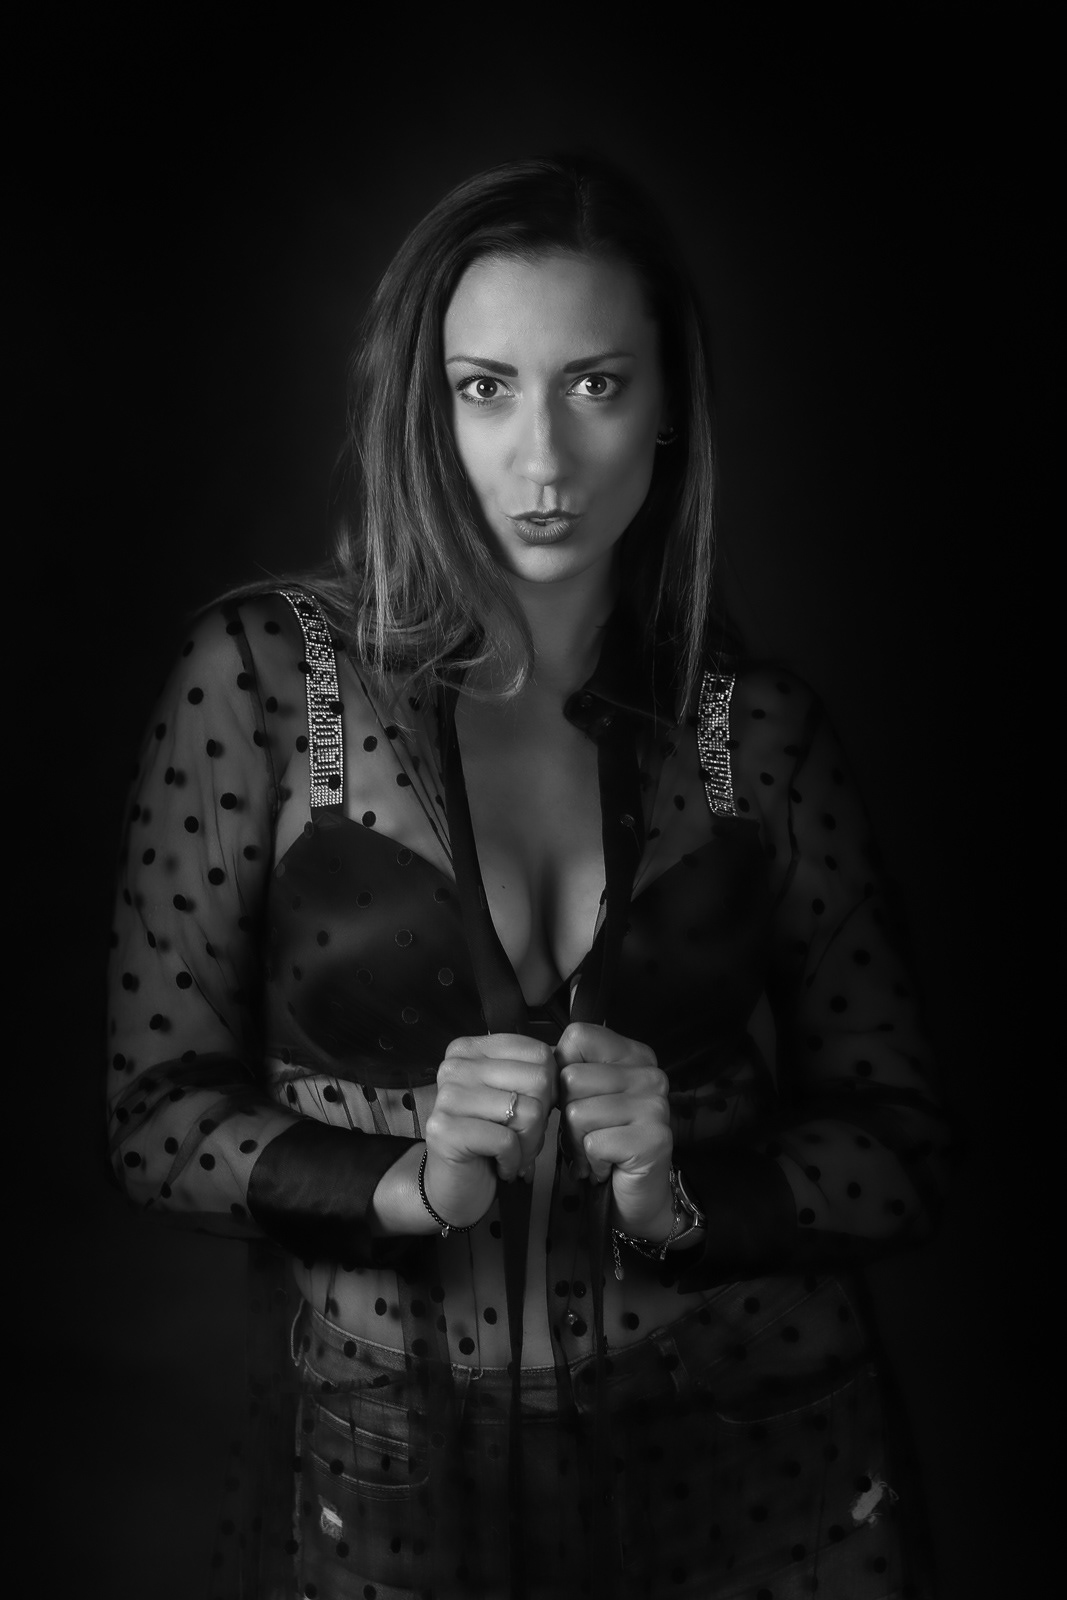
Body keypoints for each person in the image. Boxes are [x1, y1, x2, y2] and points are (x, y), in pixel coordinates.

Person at [106, 153, 949, 1599]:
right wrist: (406, 1184)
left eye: (595, 385)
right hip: (391, 1461)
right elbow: (154, 1119)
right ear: (423, 408)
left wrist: (679, 1200)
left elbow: (902, 1144)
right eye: (485, 388)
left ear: (668, 404)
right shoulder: (267, 683)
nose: (544, 459)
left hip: (758, 1451)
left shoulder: (753, 730)